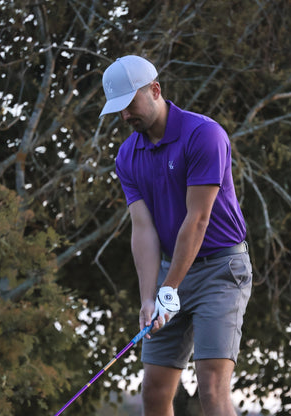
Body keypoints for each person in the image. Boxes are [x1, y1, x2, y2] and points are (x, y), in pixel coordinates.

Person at [99, 55, 252, 416]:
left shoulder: (203, 135)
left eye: (129, 105)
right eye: (118, 110)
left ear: (155, 90)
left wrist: (170, 288)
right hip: (173, 272)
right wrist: (150, 298)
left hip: (221, 270)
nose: (125, 117)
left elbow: (197, 219)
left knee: (211, 387)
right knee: (153, 391)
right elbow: (143, 228)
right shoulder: (127, 155)